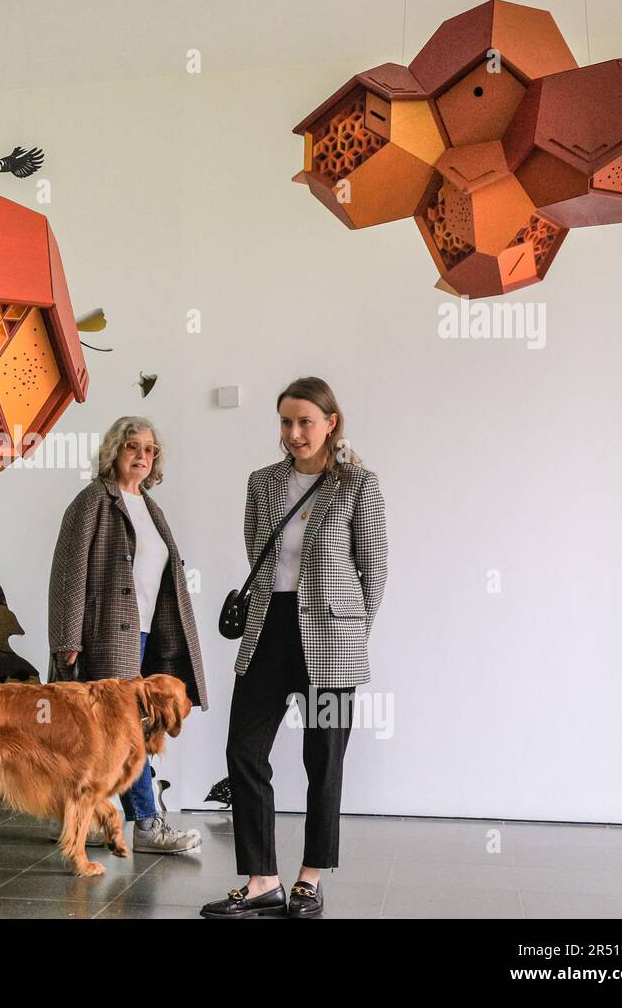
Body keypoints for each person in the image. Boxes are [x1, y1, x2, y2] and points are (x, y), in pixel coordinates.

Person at [201, 376, 386, 919]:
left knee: (323, 757)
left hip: (331, 639)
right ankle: (262, 880)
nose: (294, 432)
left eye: (305, 421)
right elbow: (258, 554)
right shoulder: (262, 483)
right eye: (286, 421)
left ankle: (310, 877)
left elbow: (372, 570)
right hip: (268, 631)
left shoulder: (358, 485)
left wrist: (353, 632)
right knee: (244, 749)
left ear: (331, 423)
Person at [47, 415, 207, 853]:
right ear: (114, 451)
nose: (141, 455)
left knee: (119, 733)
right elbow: (68, 573)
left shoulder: (151, 507)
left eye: (149, 449)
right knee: (127, 732)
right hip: (105, 635)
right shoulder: (93, 500)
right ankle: (148, 825)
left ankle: (83, 819)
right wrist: (67, 638)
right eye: (132, 446)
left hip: (148, 634)